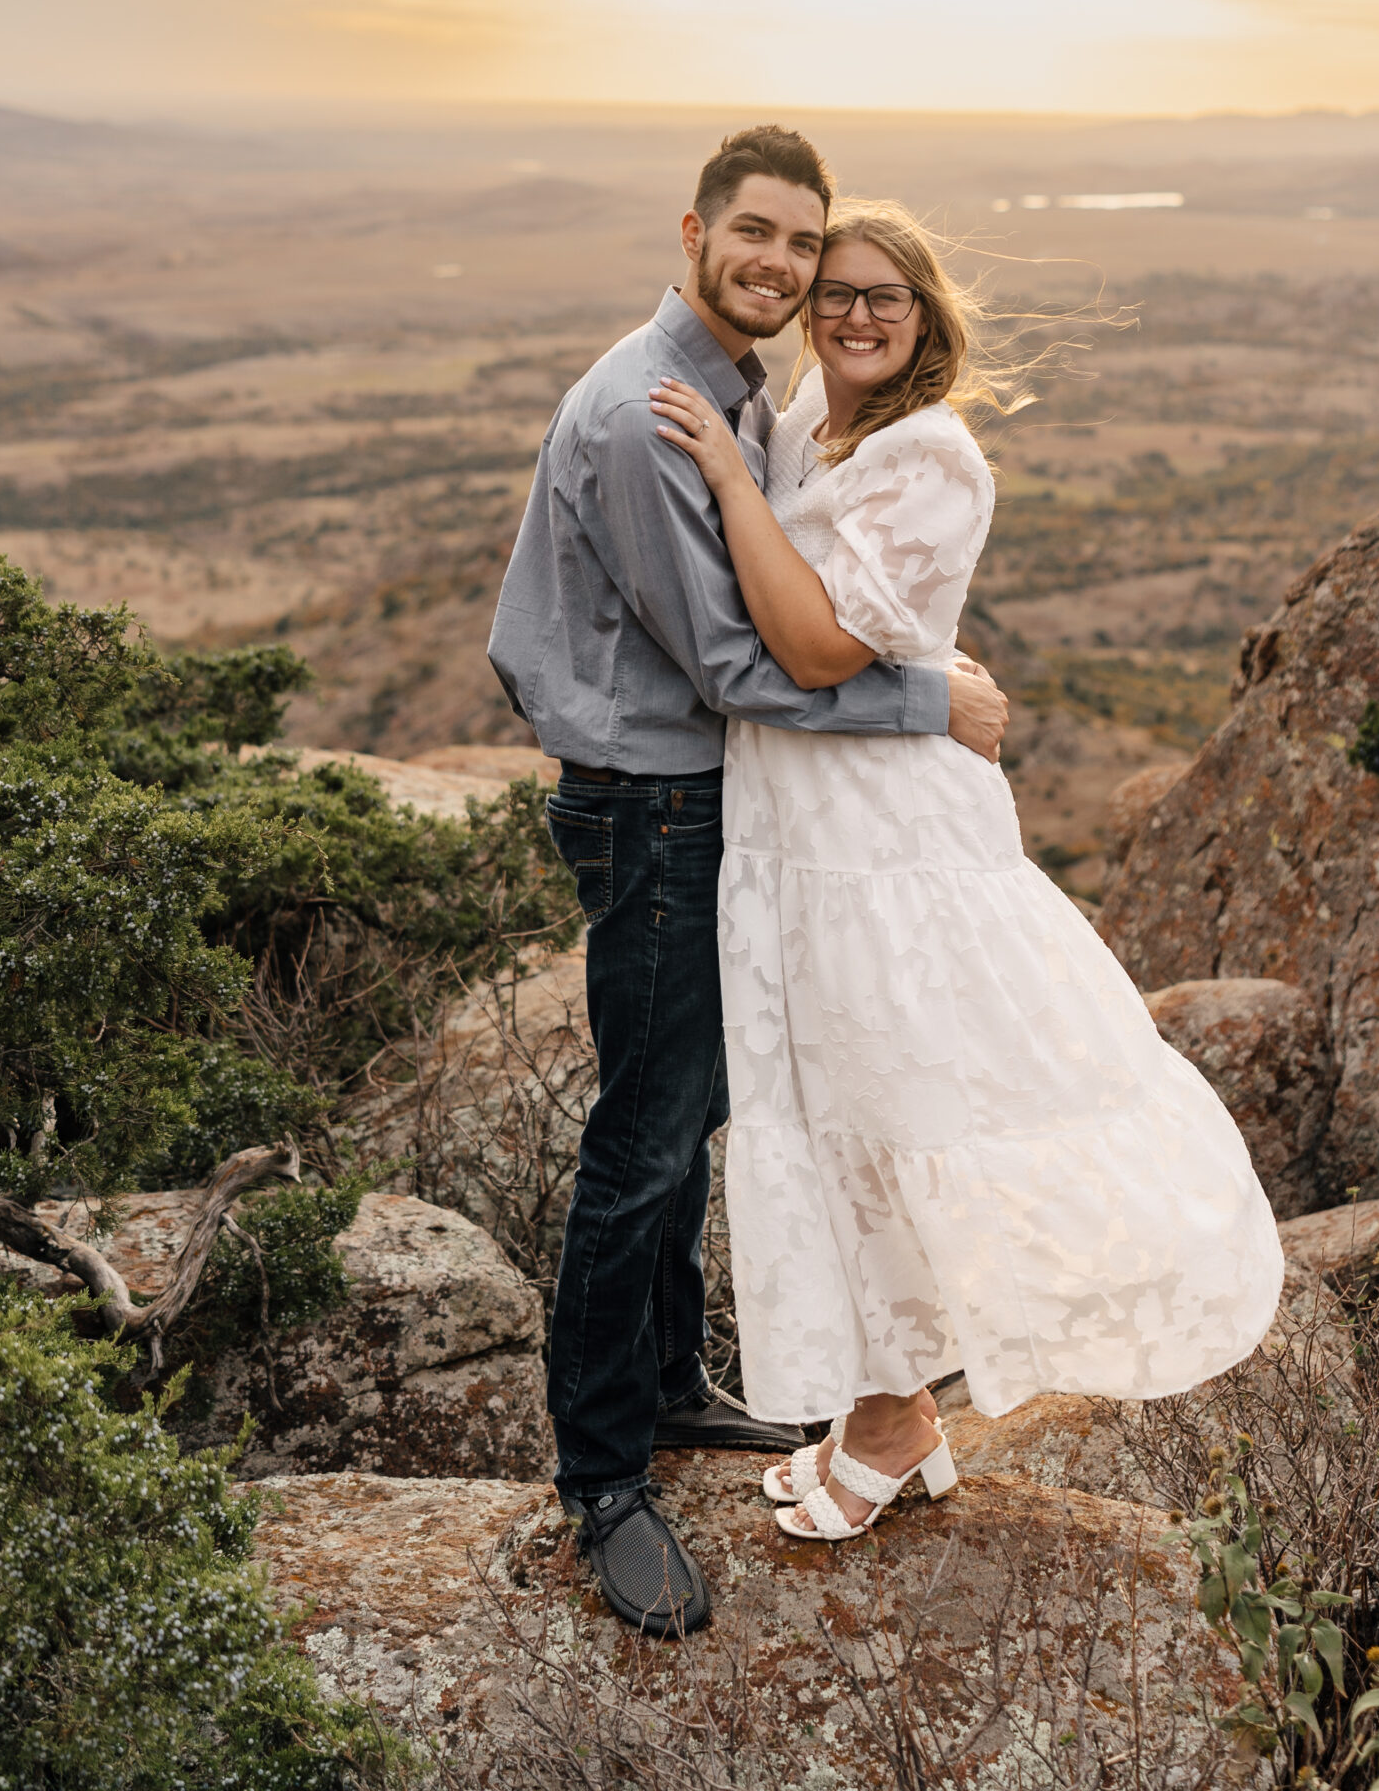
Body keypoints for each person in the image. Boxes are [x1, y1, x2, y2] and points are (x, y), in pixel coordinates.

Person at [648, 197, 1285, 1545]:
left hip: (884, 839)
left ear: (928, 317)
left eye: (887, 296)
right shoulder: (806, 423)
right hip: (796, 829)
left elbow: (820, 649)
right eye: (836, 295)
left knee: (895, 1105)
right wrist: (752, 470)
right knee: (825, 1112)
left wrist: (725, 482)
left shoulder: (931, 454)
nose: (857, 315)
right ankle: (884, 1411)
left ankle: (893, 1416)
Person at [488, 128, 1009, 1635]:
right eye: (760, 236)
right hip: (652, 809)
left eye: (806, 244)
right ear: (697, 229)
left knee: (687, 1110)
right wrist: (935, 702)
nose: (782, 266)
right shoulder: (656, 415)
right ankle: (603, 1485)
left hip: (694, 803)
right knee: (644, 1141)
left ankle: (664, 1389)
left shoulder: (736, 393)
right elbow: (738, 660)